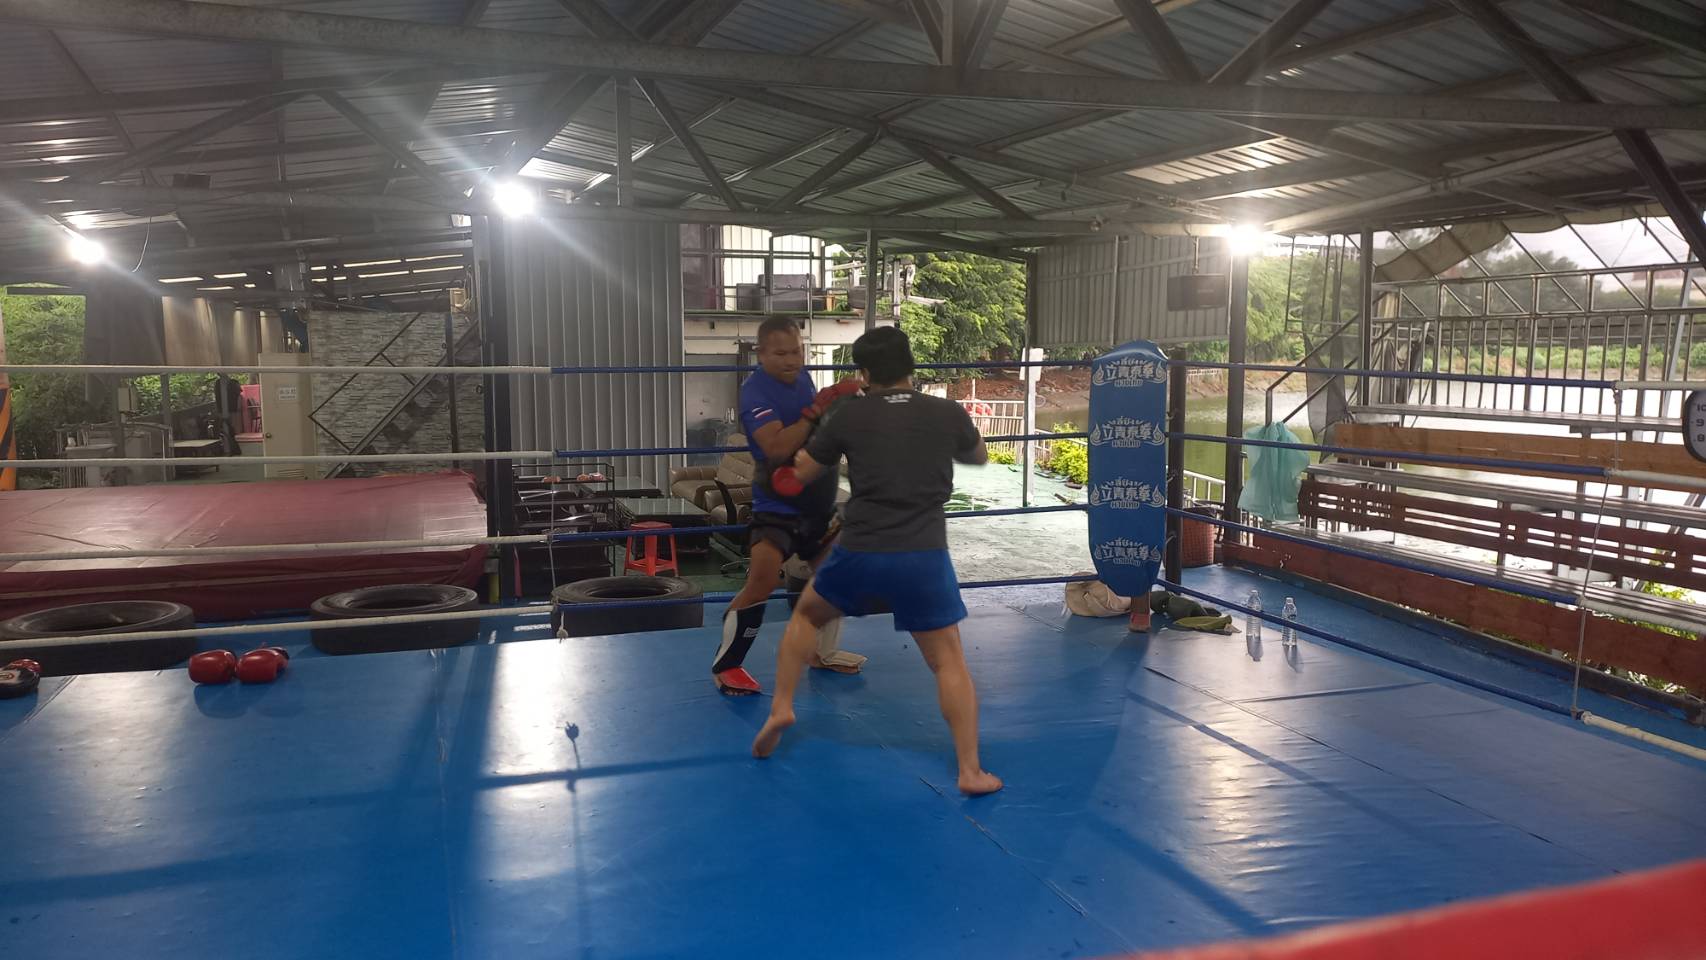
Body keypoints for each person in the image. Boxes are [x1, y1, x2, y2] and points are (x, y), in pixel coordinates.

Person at [751, 326, 1002, 796]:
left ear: (864, 373)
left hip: (860, 550)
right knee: (948, 661)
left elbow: (799, 475)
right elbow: (980, 456)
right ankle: (970, 770)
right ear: (910, 366)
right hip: (924, 553)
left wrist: (788, 458)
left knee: (805, 616)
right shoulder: (946, 411)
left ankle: (782, 706)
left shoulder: (848, 414)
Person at [712, 316, 865, 695]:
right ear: (761, 353)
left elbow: (814, 431)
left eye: (797, 351)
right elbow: (776, 447)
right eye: (781, 353)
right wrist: (817, 410)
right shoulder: (755, 392)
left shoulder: (802, 378)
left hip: (818, 504)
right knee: (762, 583)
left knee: (834, 579)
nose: (792, 360)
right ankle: (727, 666)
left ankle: (821, 653)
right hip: (777, 508)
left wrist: (838, 410)